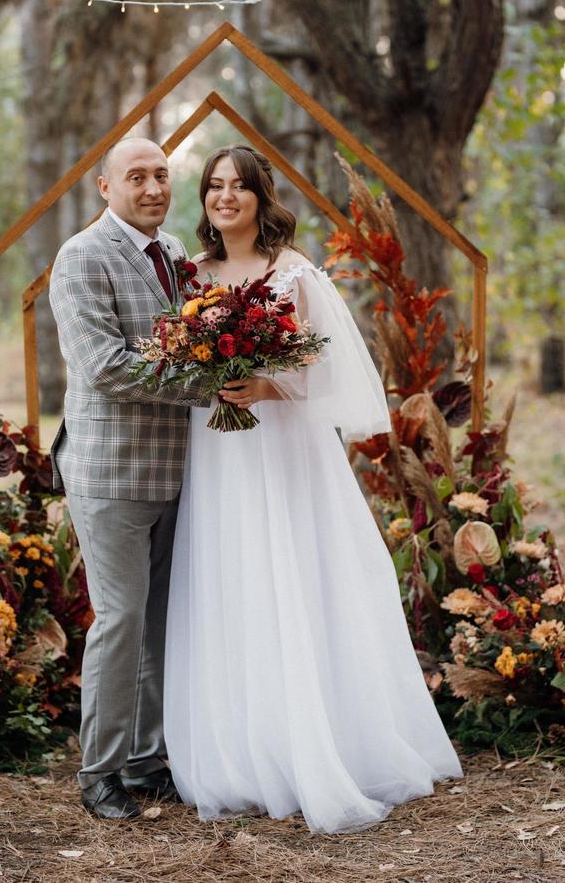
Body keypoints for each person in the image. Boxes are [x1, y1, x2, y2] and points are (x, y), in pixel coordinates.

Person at [163, 144, 463, 834]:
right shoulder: (192, 277)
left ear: (262, 198)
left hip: (284, 448)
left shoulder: (292, 272)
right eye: (214, 187)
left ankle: (321, 743)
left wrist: (267, 383)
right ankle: (241, 750)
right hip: (218, 448)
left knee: (291, 576)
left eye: (240, 187)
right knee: (230, 576)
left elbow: (330, 373)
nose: (225, 198)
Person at [49, 138, 204, 819]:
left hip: (178, 473)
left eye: (161, 175)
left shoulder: (174, 257)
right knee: (119, 619)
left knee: (159, 624)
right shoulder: (81, 258)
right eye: (136, 177)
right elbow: (106, 366)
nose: (152, 188)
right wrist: (212, 386)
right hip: (111, 471)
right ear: (105, 188)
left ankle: (146, 759)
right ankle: (100, 773)